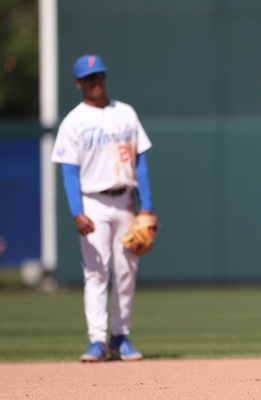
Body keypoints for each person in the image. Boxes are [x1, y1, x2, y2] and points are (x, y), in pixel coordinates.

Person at [51, 54, 154, 362]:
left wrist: (146, 207)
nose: (96, 82)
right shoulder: (73, 120)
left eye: (100, 76)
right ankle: (96, 340)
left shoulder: (125, 113)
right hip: (92, 202)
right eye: (90, 78)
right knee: (96, 272)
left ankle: (120, 338)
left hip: (125, 201)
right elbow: (69, 170)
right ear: (78, 83)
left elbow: (140, 161)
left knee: (126, 271)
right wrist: (76, 211)